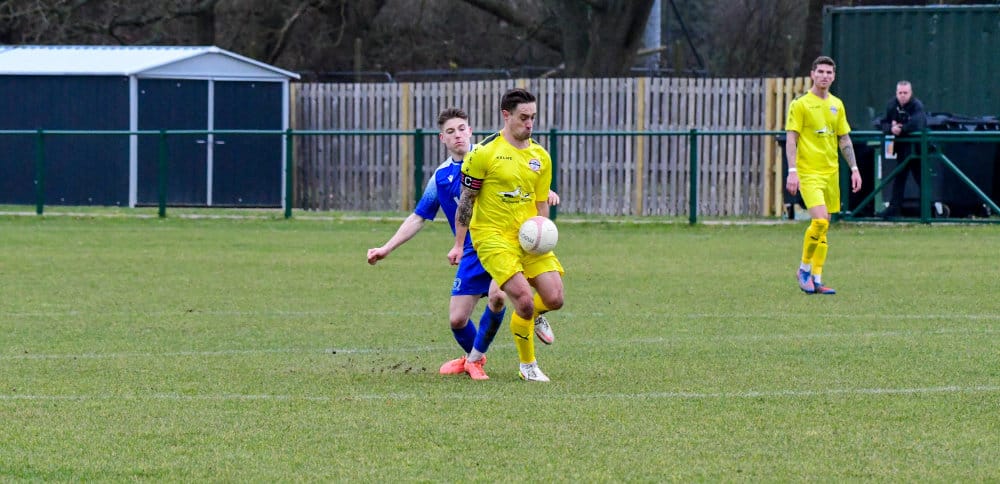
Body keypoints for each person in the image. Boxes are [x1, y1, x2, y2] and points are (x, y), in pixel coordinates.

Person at [367, 107, 557, 381]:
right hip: (471, 251)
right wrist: (386, 248)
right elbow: (418, 216)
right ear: (442, 138)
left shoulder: (491, 155)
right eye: (450, 131)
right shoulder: (441, 177)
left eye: (461, 129)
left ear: (470, 131)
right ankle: (473, 356)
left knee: (498, 296)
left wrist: (546, 192)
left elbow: (525, 178)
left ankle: (488, 358)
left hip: (502, 243)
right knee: (457, 320)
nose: (457, 135)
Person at [450, 88, 565, 382]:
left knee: (554, 298)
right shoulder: (483, 153)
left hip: (527, 237)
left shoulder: (540, 156)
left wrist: (543, 234)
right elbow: (466, 201)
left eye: (533, 117)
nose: (530, 124)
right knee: (523, 301)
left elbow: (540, 203)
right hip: (492, 237)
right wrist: (460, 244)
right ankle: (528, 366)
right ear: (506, 115)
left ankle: (535, 315)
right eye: (523, 117)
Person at [785, 56, 862, 295]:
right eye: (820, 72)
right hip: (809, 173)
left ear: (833, 76)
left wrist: (854, 168)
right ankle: (803, 269)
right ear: (812, 74)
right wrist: (792, 171)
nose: (824, 76)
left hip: (831, 173)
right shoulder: (800, 104)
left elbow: (844, 139)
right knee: (819, 222)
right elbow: (791, 139)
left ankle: (817, 279)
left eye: (829, 72)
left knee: (825, 226)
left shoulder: (837, 104)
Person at [878, 80, 927, 218]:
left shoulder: (917, 105)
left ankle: (927, 210)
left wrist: (902, 128)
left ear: (911, 93)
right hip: (901, 149)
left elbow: (918, 123)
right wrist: (891, 128)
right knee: (899, 179)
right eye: (900, 93)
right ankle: (893, 210)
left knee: (922, 179)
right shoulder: (892, 105)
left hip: (917, 149)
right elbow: (883, 123)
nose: (903, 95)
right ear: (896, 93)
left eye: (905, 92)